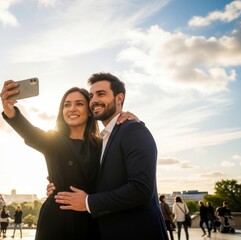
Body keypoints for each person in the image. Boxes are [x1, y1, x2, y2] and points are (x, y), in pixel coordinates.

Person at [1, 81, 135, 240]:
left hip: (90, 221)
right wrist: (9, 110)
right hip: (56, 221)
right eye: (67, 105)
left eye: (79, 104)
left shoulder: (102, 144)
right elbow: (28, 131)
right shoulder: (53, 140)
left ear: (90, 111)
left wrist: (129, 120)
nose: (72, 109)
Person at [52, 72, 168, 240]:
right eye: (91, 96)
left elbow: (141, 189)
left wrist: (88, 202)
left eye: (101, 94)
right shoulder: (103, 140)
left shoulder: (133, 130)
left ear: (119, 98)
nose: (94, 100)